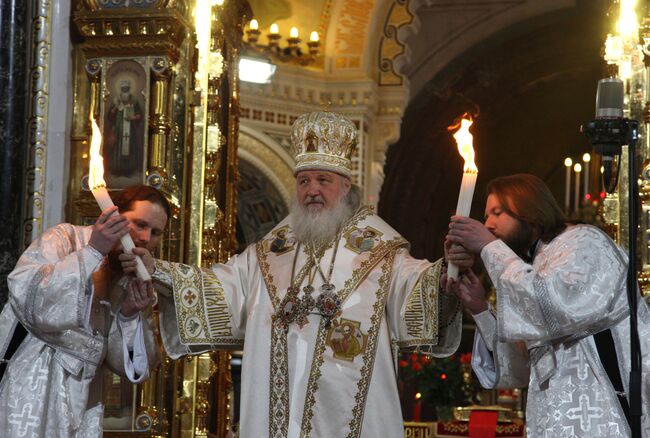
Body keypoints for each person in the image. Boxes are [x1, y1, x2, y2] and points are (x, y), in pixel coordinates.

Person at [146, 111, 462, 437]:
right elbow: (218, 286)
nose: (312, 190)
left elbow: (414, 283)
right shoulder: (269, 253)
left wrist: (445, 275)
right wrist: (158, 271)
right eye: (304, 181)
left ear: (345, 186)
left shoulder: (378, 250)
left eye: (323, 180)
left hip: (346, 412)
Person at [445, 173, 650, 437]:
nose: (488, 225)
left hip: (603, 414)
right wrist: (480, 308)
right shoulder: (537, 264)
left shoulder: (585, 241)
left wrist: (488, 246)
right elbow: (519, 368)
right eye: (486, 216)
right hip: (553, 421)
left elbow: (557, 307)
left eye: (497, 212)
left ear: (530, 210)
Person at [0, 184, 169, 437]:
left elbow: (135, 369)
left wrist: (129, 314)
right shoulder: (65, 238)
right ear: (115, 217)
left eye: (155, 232)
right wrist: (93, 251)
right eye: (139, 224)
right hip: (35, 383)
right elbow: (25, 292)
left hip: (86, 400)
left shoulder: (129, 278)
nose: (145, 238)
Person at [105, 79, 144, 178]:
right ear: (121, 89)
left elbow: (140, 115)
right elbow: (110, 115)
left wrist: (134, 117)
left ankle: (128, 170)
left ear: (129, 89)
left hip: (130, 129)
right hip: (118, 128)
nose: (125, 90)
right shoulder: (116, 100)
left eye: (126, 89)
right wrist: (115, 109)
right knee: (117, 147)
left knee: (129, 146)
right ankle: (117, 169)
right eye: (123, 89)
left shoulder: (134, 100)